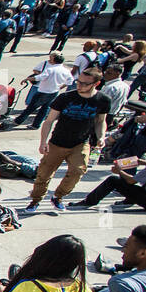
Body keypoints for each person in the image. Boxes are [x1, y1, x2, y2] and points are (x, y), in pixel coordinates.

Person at [25, 67, 108, 213]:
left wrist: (101, 136)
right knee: (44, 173)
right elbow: (49, 120)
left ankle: (58, 196)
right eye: (78, 82)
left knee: (78, 170)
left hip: (81, 142)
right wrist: (43, 142)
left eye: (84, 84)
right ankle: (36, 200)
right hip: (57, 141)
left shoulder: (102, 100)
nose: (79, 85)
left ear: (96, 84)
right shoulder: (65, 98)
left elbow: (101, 121)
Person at [69, 156, 146, 212]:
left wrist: (119, 171)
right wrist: (145, 163)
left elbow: (131, 180)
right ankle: (129, 200)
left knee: (113, 180)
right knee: (142, 186)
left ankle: (89, 202)